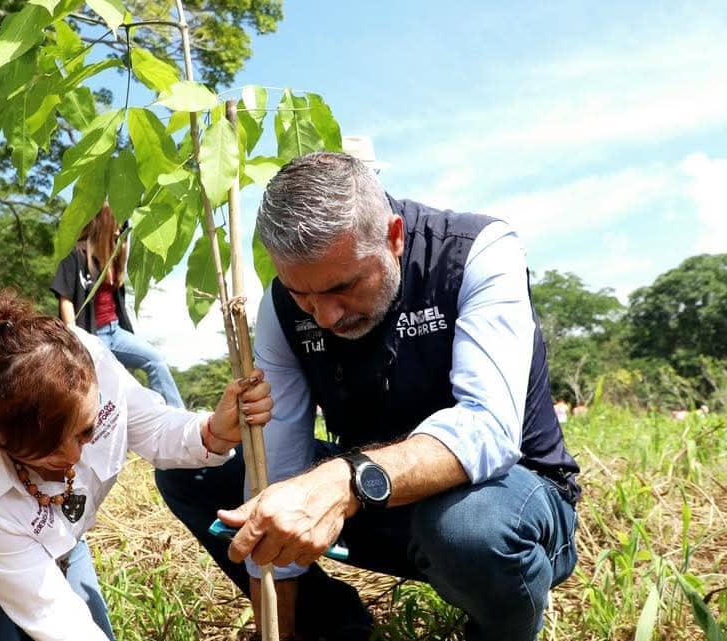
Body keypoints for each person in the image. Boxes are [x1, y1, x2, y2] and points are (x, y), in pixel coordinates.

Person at [155, 152, 581, 641]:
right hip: (375, 503)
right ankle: (330, 626)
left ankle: (498, 626)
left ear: (394, 236)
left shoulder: (476, 252)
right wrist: (279, 627)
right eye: (303, 295)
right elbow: (274, 463)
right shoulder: (281, 307)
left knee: (467, 528)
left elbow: (489, 429)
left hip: (505, 503)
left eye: (344, 287)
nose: (326, 317)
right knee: (198, 470)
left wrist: (345, 480)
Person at [0, 291, 271, 641]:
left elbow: (151, 425)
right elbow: (53, 615)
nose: (72, 460)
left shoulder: (83, 359)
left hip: (54, 540)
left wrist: (213, 432)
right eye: (43, 455)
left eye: (85, 432)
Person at [51, 204, 184, 408]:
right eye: (117, 221)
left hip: (116, 332)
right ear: (104, 220)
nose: (120, 228)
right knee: (113, 387)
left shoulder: (114, 255)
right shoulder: (76, 254)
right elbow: (66, 298)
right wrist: (74, 336)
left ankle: (179, 415)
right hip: (92, 337)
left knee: (156, 360)